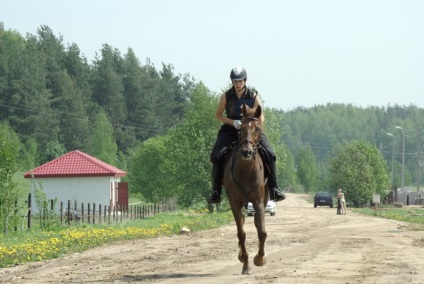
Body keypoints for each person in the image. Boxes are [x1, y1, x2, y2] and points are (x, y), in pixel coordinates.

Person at [207, 66, 286, 203]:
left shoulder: (253, 96)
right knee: (215, 156)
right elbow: (218, 115)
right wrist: (233, 122)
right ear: (232, 82)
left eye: (240, 81)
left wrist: (255, 128)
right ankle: (216, 192)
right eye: (235, 81)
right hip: (231, 130)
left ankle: (274, 189)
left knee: (271, 155)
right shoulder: (226, 97)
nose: (238, 84)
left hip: (251, 131)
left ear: (245, 81)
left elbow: (261, 118)